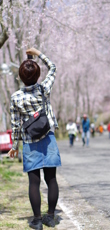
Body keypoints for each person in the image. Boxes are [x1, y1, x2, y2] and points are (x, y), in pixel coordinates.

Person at [8, 47, 61, 230]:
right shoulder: (43, 89)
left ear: (20, 77)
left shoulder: (15, 98)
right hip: (48, 138)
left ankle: (37, 221)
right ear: (38, 75)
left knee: (34, 182)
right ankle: (51, 217)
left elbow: (16, 125)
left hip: (30, 142)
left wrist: (14, 146)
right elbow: (53, 67)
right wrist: (38, 54)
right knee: (51, 179)